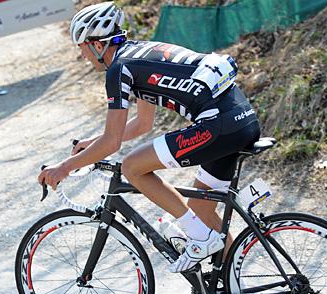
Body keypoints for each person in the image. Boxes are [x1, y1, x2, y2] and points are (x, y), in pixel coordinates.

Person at [38, 2, 260, 276]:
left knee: (132, 167)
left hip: (218, 125)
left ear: (96, 44)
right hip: (243, 119)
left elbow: (112, 143)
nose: (81, 55)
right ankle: (232, 290)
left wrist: (64, 168)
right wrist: (92, 142)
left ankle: (201, 240)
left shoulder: (118, 69)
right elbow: (143, 123)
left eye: (81, 47)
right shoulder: (141, 53)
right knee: (201, 209)